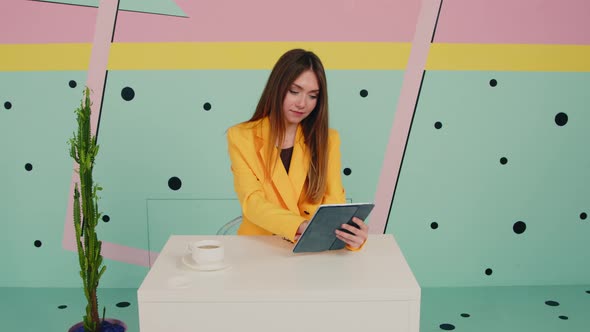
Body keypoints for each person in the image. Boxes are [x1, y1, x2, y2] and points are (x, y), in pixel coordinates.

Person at [226, 49, 368, 250]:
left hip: (311, 248)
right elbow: (252, 202)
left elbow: (333, 202)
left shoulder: (328, 140)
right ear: (277, 88)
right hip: (258, 248)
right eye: (294, 91)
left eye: (313, 96)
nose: (302, 103)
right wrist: (299, 225)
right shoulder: (241, 136)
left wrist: (352, 237)